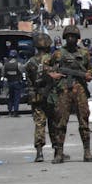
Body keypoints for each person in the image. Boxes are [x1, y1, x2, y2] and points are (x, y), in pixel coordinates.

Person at [45, 25, 92, 163]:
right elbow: (46, 67)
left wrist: (88, 75)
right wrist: (52, 74)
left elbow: (90, 70)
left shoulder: (84, 53)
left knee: (84, 122)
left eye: (73, 36)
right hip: (64, 90)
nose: (71, 38)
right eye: (68, 36)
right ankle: (59, 153)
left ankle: (87, 152)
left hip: (80, 90)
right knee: (60, 122)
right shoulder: (58, 54)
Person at [25, 34, 56, 162]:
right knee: (54, 124)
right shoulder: (52, 59)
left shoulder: (30, 62)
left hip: (37, 97)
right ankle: (57, 151)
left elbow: (29, 82)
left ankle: (39, 153)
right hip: (51, 97)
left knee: (39, 124)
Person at [4, 50, 23, 117]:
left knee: (10, 97)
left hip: (9, 83)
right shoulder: (18, 64)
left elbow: (4, 74)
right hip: (17, 83)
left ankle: (9, 111)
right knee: (16, 98)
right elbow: (22, 72)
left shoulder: (6, 64)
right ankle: (15, 111)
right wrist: (24, 80)